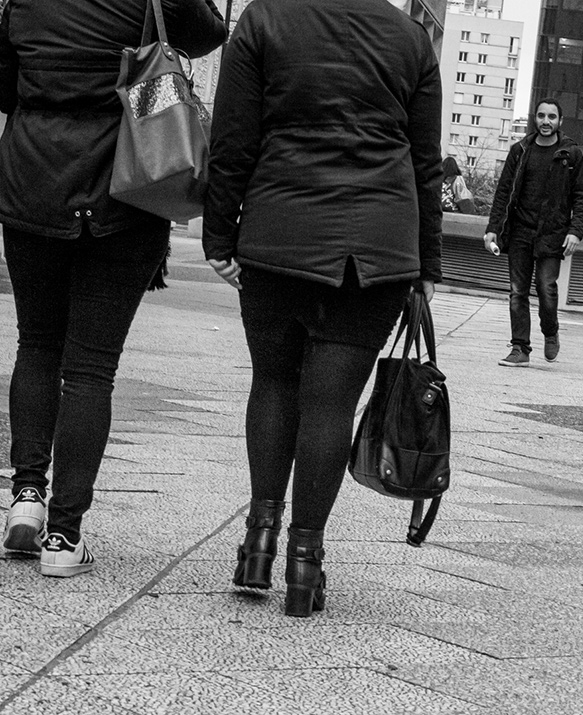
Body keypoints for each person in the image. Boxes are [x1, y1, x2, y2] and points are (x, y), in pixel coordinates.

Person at [202, 0, 441, 617]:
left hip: (281, 228)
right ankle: (305, 565)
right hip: (377, 244)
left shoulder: (264, 20)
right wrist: (428, 264)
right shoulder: (411, 39)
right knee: (331, 403)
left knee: (274, 381)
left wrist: (219, 234)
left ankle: (258, 542)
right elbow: (424, 165)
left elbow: (233, 136)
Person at [0, 1, 225, 576]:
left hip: (32, 180)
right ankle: (63, 535)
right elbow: (207, 35)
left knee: (38, 345)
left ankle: (25, 496)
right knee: (91, 369)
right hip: (124, 186)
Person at [484, 98, 583, 367]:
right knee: (517, 291)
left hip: (552, 233)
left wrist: (575, 232)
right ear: (535, 119)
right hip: (520, 230)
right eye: (541, 116)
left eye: (551, 117)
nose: (545, 121)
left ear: (560, 121)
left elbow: (581, 198)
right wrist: (493, 229)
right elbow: (503, 192)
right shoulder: (520, 150)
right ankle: (520, 348)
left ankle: (550, 331)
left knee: (546, 288)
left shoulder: (571, 154)